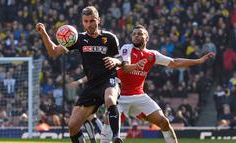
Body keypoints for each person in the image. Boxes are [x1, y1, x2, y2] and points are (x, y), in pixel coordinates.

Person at [101, 24, 215, 143]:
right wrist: (136, 66)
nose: (136, 36)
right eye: (134, 34)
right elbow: (125, 67)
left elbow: (174, 62)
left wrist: (198, 61)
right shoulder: (127, 48)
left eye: (140, 34)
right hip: (121, 96)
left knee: (164, 122)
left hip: (139, 95)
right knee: (108, 125)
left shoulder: (152, 55)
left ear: (147, 38)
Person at [36, 6, 123, 143]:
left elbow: (122, 61)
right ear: (82, 22)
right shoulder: (78, 39)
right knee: (73, 126)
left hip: (109, 79)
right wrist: (44, 34)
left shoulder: (110, 38)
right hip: (91, 85)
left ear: (99, 20)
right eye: (86, 21)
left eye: (92, 21)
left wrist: (115, 61)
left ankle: (116, 137)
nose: (89, 24)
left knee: (110, 100)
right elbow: (53, 52)